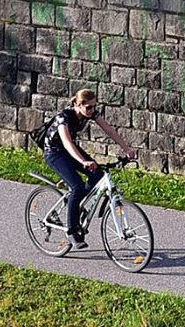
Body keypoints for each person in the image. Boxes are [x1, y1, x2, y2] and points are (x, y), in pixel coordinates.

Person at [43, 88, 134, 248]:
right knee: (77, 186)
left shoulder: (91, 113)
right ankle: (72, 231)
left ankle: (76, 203)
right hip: (55, 153)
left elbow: (109, 130)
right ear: (78, 105)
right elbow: (67, 143)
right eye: (89, 107)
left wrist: (126, 149)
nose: (92, 111)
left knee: (98, 176)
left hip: (70, 150)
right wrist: (83, 161)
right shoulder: (63, 118)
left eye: (94, 106)